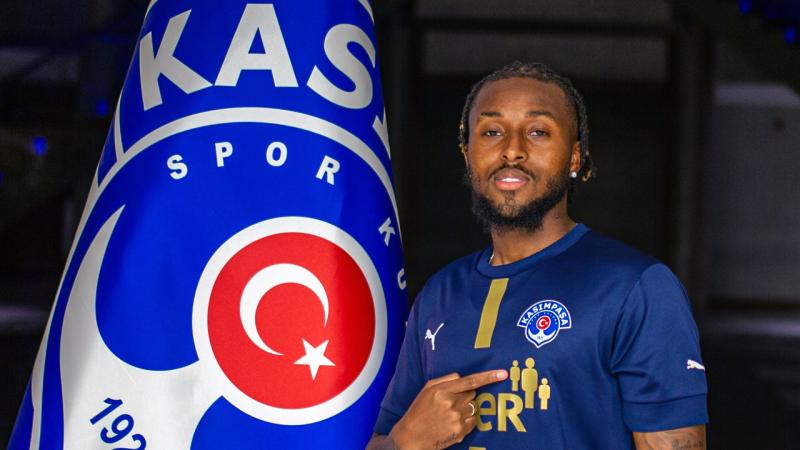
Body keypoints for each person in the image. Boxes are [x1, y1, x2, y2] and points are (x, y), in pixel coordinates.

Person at [367, 61, 708, 450]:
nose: (512, 150)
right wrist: (404, 442)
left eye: (538, 132)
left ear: (574, 157)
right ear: (467, 153)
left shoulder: (635, 287)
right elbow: (382, 441)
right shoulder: (438, 294)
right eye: (492, 132)